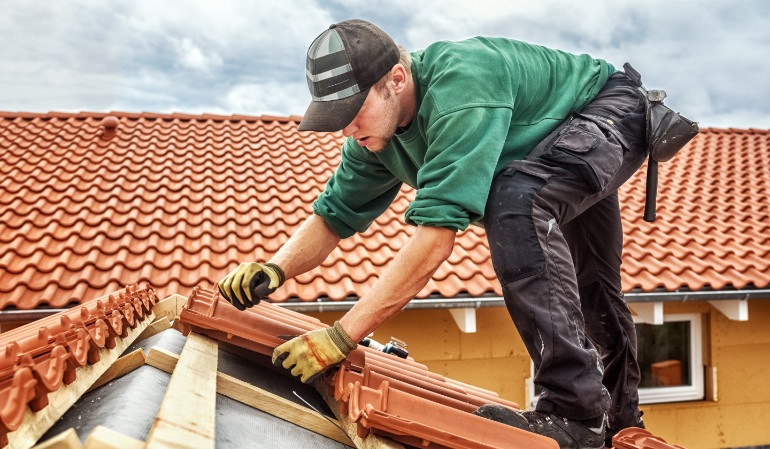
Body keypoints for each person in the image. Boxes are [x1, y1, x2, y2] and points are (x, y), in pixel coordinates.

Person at [218, 19, 650, 449]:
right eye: (338, 118)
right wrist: (275, 268)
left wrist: (340, 337)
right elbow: (332, 217)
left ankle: (578, 412)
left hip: (609, 109)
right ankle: (620, 425)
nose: (347, 129)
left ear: (397, 79)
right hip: (552, 145)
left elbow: (434, 241)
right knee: (588, 280)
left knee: (517, 204)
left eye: (352, 112)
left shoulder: (461, 87)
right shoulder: (376, 138)